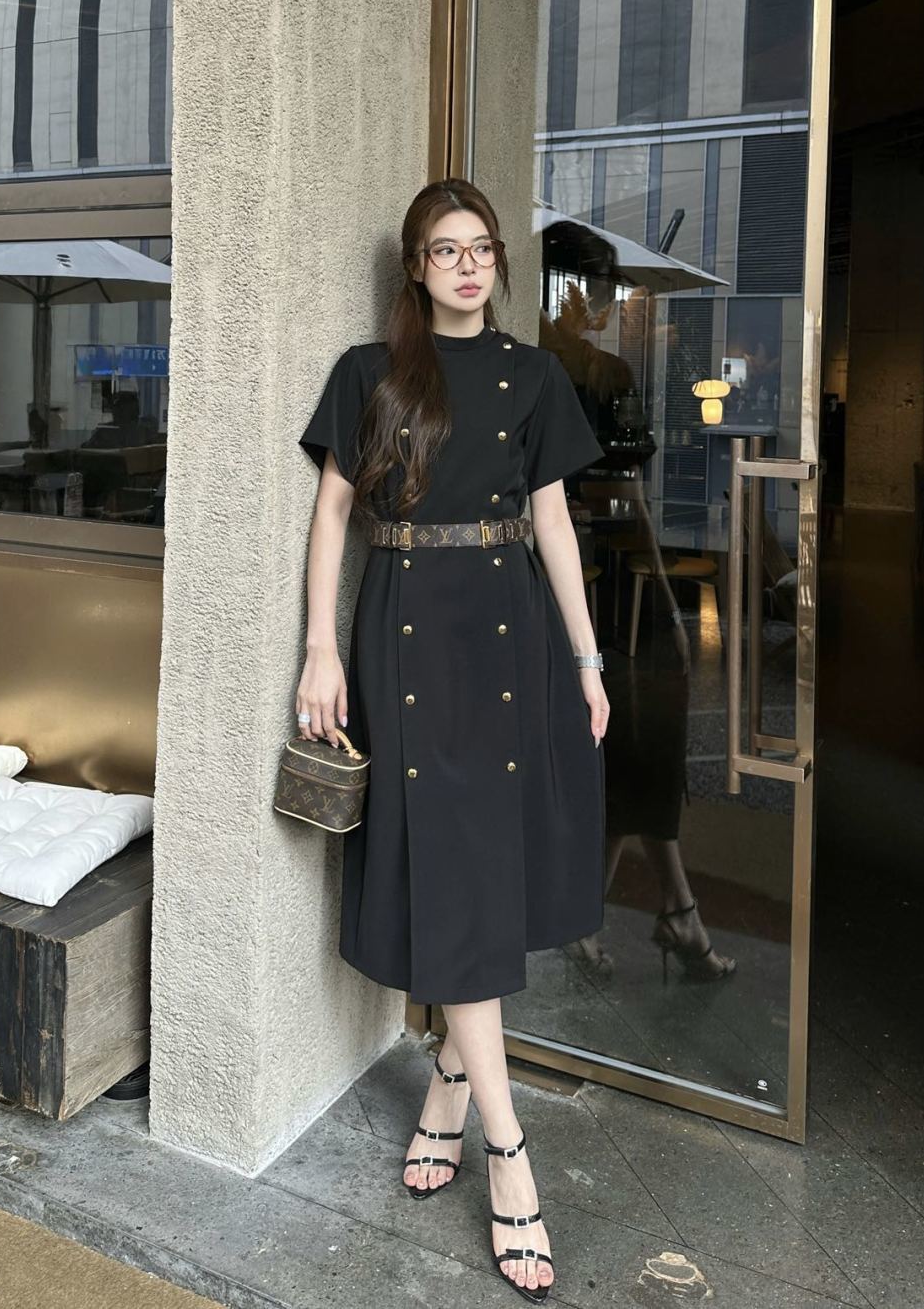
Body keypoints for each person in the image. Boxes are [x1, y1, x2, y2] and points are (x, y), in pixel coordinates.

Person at [296, 178, 609, 1304]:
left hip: (507, 631)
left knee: (485, 866)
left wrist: (587, 657)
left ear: (499, 264)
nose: (468, 265)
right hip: (405, 633)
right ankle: (510, 1152)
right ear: (416, 266)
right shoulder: (371, 371)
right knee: (457, 862)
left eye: (481, 248)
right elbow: (335, 512)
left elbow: (553, 520)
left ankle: (447, 1083)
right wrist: (319, 650)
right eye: (446, 249)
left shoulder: (535, 374)